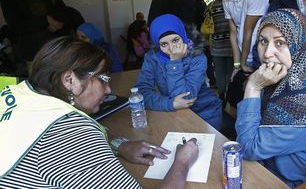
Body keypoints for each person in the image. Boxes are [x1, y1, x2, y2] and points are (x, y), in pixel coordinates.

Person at [0, 36, 199, 188]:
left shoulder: (21, 94)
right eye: (103, 79)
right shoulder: (68, 135)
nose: (109, 90)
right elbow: (72, 140)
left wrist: (119, 144)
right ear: (69, 80)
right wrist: (181, 162)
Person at [236, 9, 306, 187]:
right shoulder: (296, 78)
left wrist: (253, 87)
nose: (267, 53)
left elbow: (248, 147)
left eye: (280, 43)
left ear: (298, 46)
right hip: (274, 172)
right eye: (263, 41)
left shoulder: (305, 105)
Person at [135, 14, 222, 130]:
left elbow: (186, 99)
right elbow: (141, 95)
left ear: (183, 35)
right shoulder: (151, 57)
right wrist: (170, 104)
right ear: (157, 43)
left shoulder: (197, 57)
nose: (172, 49)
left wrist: (174, 62)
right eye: (164, 44)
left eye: (175, 40)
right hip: (174, 113)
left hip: (206, 113)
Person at [0, 0, 68, 76]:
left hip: (56, 51)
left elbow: (66, 14)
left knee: (59, 84)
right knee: (38, 88)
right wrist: (46, 20)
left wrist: (59, 23)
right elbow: (15, 26)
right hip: (32, 55)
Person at [217, 0, 269, 76]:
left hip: (260, 56)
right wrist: (237, 65)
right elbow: (233, 33)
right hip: (242, 56)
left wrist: (243, 63)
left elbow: (248, 31)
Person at [209, 0, 233, 102]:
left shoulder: (212, 6)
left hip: (216, 46)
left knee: (219, 73)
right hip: (231, 46)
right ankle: (229, 95)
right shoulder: (233, 4)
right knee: (230, 74)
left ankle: (221, 96)